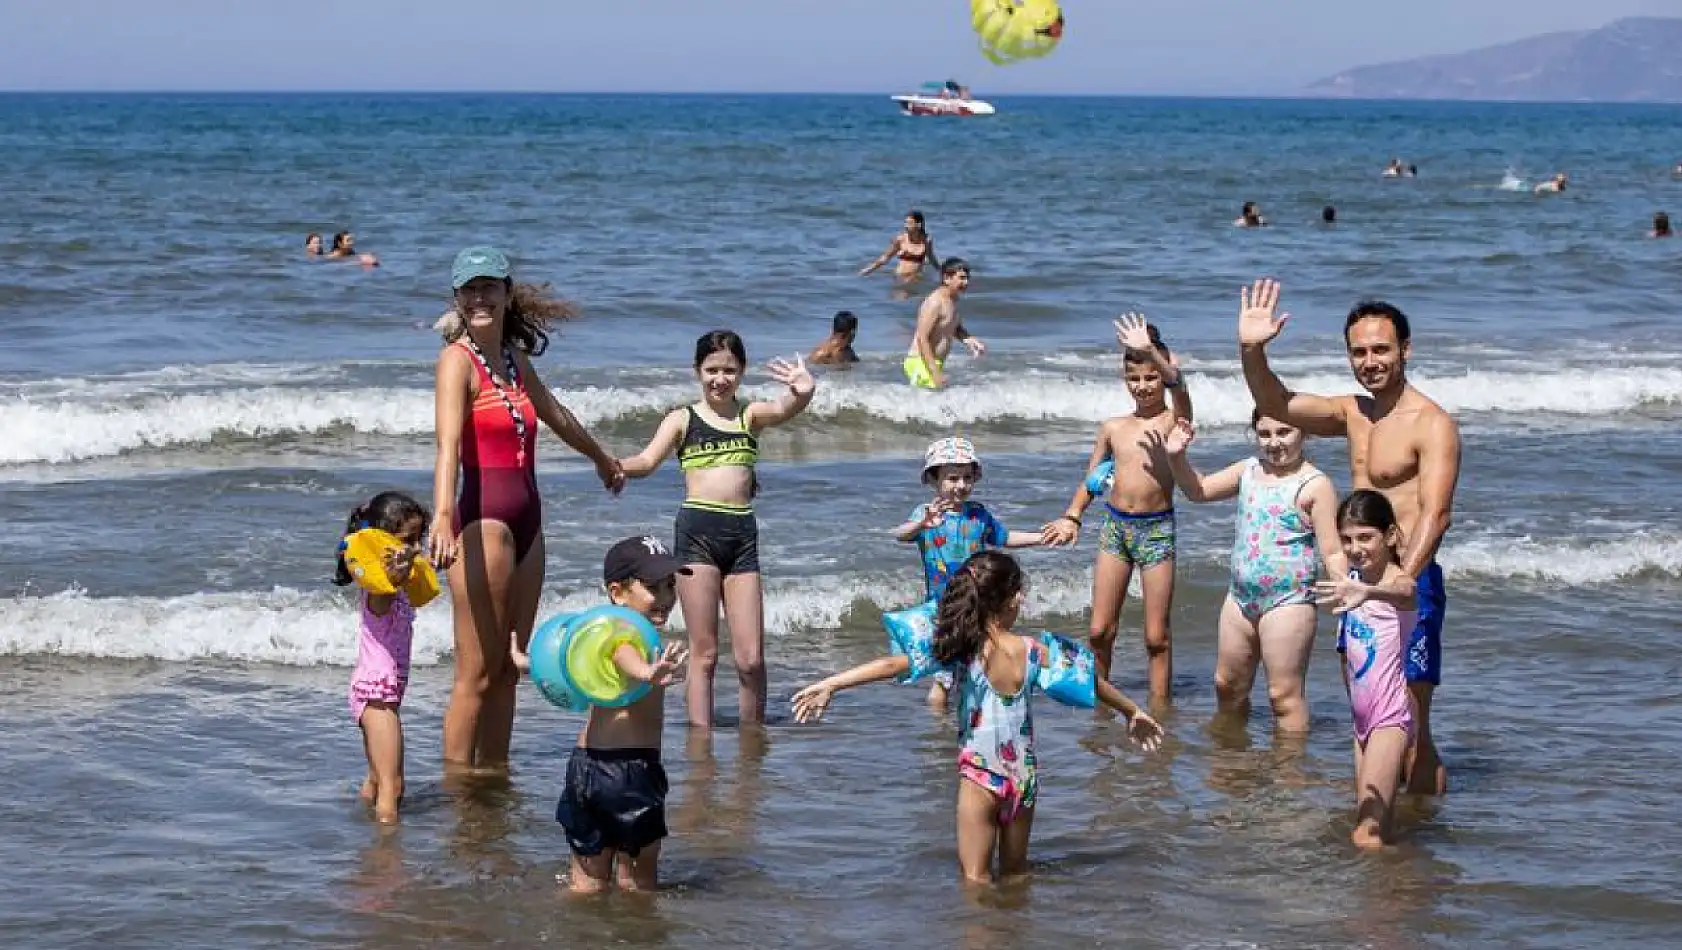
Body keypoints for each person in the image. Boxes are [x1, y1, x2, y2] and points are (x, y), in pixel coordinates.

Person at [790, 551, 1163, 885]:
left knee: (976, 884)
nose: (1022, 599)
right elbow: (1089, 680)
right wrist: (1132, 710)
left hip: (981, 778)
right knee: (1017, 876)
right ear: (1005, 599)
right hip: (1025, 779)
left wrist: (831, 684)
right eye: (1018, 591)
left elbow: (892, 665)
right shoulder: (1033, 651)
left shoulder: (961, 652)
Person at [1237, 277, 1460, 795]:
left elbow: (1437, 512)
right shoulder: (1352, 414)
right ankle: (1377, 816)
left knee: (1410, 726)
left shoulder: (1431, 424)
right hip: (1356, 589)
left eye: (1381, 349)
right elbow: (1276, 400)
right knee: (1368, 715)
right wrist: (1251, 349)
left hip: (1409, 587)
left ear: (1405, 349)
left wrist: (1402, 581)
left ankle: (1422, 832)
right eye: (1359, 351)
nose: (1370, 360)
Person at [429, 246, 626, 773]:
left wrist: (601, 458)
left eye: (489, 286)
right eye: (469, 288)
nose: (480, 297)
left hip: (529, 525)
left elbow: (556, 415)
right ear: (457, 297)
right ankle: (456, 790)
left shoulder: (517, 362)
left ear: (506, 293)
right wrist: (442, 515)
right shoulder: (456, 362)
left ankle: (492, 781)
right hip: (482, 522)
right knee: (476, 672)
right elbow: (447, 445)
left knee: (509, 670)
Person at [618, 331, 816, 728]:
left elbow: (784, 408)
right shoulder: (682, 419)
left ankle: (752, 737)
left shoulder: (750, 416)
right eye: (711, 370)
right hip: (696, 534)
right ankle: (699, 741)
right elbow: (646, 459)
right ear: (697, 371)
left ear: (741, 372)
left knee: (751, 658)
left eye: (729, 370)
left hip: (742, 536)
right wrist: (616, 466)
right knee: (704, 654)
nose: (719, 379)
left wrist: (804, 390)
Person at [510, 536, 692, 892]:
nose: (668, 597)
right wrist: (646, 673)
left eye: (671, 585)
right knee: (637, 885)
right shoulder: (628, 637)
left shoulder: (592, 637)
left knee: (586, 881)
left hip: (586, 766)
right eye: (654, 587)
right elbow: (623, 654)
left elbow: (566, 665)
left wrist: (526, 664)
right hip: (631, 774)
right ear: (617, 592)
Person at [1156, 412, 1344, 732]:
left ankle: (1289, 773)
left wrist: (1345, 589)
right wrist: (1176, 457)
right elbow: (1198, 490)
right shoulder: (1248, 470)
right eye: (1265, 433)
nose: (1274, 442)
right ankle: (1234, 755)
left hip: (1289, 601)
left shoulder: (1315, 485)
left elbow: (1333, 550)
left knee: (1282, 695)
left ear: (1305, 433)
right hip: (1240, 598)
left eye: (1284, 432)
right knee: (1227, 685)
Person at [1043, 314, 1192, 698]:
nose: (1142, 386)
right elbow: (1092, 480)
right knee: (1099, 630)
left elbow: (1180, 386)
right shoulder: (1113, 427)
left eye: (1150, 377)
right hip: (1115, 530)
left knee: (1156, 637)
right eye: (1134, 378)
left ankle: (1160, 712)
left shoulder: (1176, 419)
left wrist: (1151, 353)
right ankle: (1101, 702)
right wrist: (1072, 516)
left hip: (1156, 531)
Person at [892, 436, 1061, 707]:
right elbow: (900, 535)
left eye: (967, 478)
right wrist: (921, 525)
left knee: (975, 664)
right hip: (945, 607)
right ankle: (939, 730)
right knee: (943, 675)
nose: (961, 485)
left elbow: (1004, 538)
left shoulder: (978, 515)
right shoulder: (926, 513)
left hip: (981, 605)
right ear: (935, 480)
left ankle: (971, 716)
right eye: (952, 478)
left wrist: (1042, 538)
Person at [1316, 490, 1419, 849]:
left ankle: (1371, 903)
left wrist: (1370, 593)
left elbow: (1408, 589)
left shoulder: (1392, 585)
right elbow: (1348, 657)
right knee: (1379, 827)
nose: (1355, 547)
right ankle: (1401, 890)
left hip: (1389, 719)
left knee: (1365, 834)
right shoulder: (1351, 581)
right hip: (1361, 721)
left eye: (1365, 537)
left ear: (1389, 536)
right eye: (1347, 539)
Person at [333, 490, 431, 824]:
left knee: (377, 781)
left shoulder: (396, 587)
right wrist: (396, 574)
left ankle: (362, 832)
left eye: (420, 539)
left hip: (377, 694)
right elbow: (384, 594)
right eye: (408, 540)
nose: (416, 548)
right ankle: (387, 855)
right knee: (393, 786)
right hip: (377, 697)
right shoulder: (380, 591)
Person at [905, 258, 984, 390]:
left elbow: (953, 327)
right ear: (947, 278)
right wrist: (934, 372)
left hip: (934, 362)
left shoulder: (953, 300)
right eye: (962, 278)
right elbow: (922, 338)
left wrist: (969, 340)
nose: (966, 282)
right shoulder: (935, 302)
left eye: (967, 278)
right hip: (920, 362)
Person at [860, 210, 941, 282]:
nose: (905, 226)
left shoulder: (926, 240)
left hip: (915, 280)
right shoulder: (900, 239)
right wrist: (868, 270)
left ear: (918, 224)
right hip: (899, 278)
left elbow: (931, 258)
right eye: (905, 222)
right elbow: (885, 258)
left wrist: (942, 272)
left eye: (909, 223)